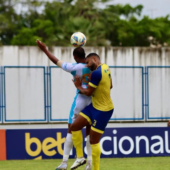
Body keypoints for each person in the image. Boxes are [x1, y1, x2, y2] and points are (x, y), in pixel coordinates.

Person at [36, 40, 92, 170]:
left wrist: (44, 49)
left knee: (71, 129)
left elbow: (56, 61)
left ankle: (65, 162)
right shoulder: (93, 66)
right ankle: (89, 164)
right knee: (89, 132)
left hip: (81, 100)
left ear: (75, 57)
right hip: (92, 101)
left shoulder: (74, 67)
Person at [71, 53, 114, 170]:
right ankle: (80, 157)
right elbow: (111, 85)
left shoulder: (96, 73)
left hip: (103, 110)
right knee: (74, 127)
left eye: (88, 62)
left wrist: (78, 85)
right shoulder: (106, 67)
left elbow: (88, 92)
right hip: (94, 106)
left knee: (93, 141)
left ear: (94, 59)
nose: (87, 65)